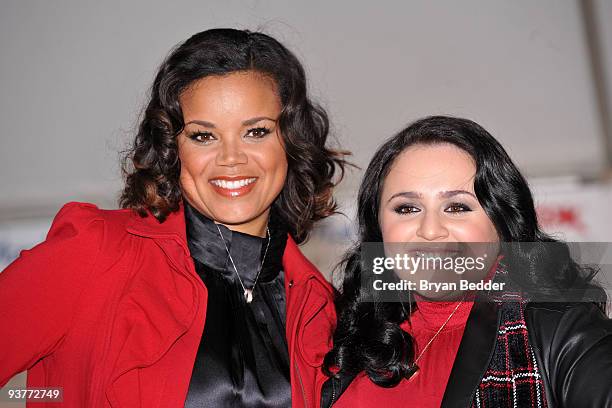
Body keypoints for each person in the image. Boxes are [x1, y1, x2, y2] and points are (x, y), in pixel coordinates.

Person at [0, 28, 347, 408]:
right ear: (172, 148)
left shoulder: (321, 305)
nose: (231, 158)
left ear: (291, 142)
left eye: (256, 132)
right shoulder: (98, 253)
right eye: (203, 136)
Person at [320, 116, 612, 407]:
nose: (431, 230)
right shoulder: (348, 339)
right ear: (378, 228)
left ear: (501, 222)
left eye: (457, 207)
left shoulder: (562, 330)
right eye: (407, 208)